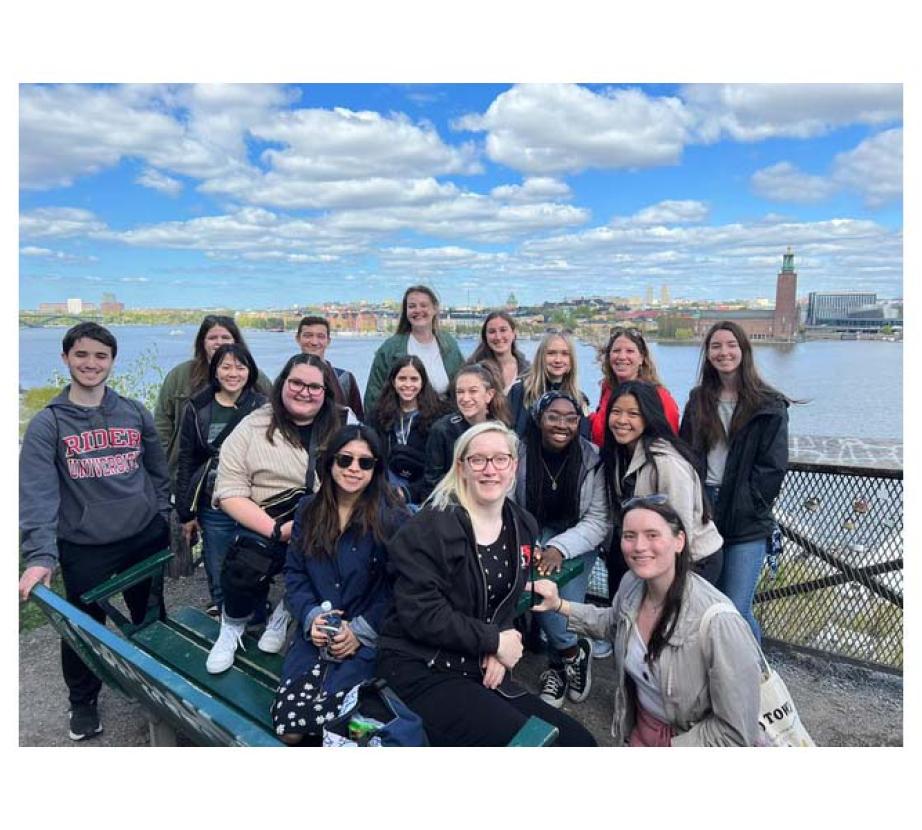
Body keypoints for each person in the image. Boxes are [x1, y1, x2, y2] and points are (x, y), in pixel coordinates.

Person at [376, 421, 597, 746]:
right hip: (420, 666)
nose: (489, 469)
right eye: (478, 460)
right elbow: (421, 613)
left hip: (476, 662)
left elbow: (504, 599)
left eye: (500, 459)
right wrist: (493, 640)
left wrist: (499, 642)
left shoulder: (521, 524)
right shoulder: (431, 526)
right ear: (462, 468)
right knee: (532, 745)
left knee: (579, 743)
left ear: (514, 466)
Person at [19, 323, 171, 741]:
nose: (91, 363)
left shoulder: (135, 412)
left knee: (153, 617)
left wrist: (161, 516)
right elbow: (37, 496)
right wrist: (40, 556)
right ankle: (83, 701)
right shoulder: (48, 425)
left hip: (143, 536)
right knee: (84, 629)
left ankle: (161, 684)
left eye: (100, 356)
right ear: (66, 358)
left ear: (112, 361)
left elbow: (158, 471)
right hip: (87, 546)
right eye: (82, 355)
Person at [530, 498, 761, 746]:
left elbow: (736, 733)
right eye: (629, 536)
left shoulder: (720, 623)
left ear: (679, 541)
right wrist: (558, 605)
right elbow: (613, 624)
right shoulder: (632, 585)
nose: (639, 546)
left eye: (652, 535)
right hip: (641, 728)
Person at [206, 354, 348, 673]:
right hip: (265, 517)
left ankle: (289, 606)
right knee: (244, 566)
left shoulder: (341, 426)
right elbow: (228, 490)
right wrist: (274, 529)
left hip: (322, 518)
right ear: (283, 382)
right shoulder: (253, 426)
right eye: (296, 382)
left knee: (338, 564)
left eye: (315, 386)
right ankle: (232, 624)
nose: (304, 391)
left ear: (326, 391)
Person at [272, 425, 410, 745]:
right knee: (290, 729)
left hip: (364, 640)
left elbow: (400, 588)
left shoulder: (394, 519)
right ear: (330, 463)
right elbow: (294, 573)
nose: (353, 469)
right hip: (316, 636)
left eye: (365, 462)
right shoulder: (308, 510)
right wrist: (309, 617)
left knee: (335, 727)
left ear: (377, 469)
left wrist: (360, 631)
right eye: (345, 460)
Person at [680, 321, 791, 641]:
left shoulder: (769, 404)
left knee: (736, 607)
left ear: (744, 351)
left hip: (746, 517)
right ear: (708, 353)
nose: (724, 352)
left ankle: (757, 678)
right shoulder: (699, 400)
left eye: (731, 345)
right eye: (716, 346)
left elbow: (772, 467)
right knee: (706, 602)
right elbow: (686, 453)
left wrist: (751, 502)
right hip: (704, 507)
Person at [510, 391, 610, 709]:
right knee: (539, 590)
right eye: (553, 416)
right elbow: (509, 505)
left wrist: (558, 548)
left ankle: (560, 663)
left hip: (578, 537)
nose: (562, 425)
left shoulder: (592, 458)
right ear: (539, 419)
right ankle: (571, 655)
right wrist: (533, 544)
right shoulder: (519, 453)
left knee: (562, 601)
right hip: (531, 533)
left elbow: (598, 520)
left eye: (571, 418)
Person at [154, 315, 272, 577]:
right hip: (199, 479)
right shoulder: (180, 377)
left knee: (249, 549)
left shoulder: (257, 381)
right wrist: (166, 463)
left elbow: (275, 419)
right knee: (210, 544)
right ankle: (216, 599)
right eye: (213, 337)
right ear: (202, 342)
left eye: (225, 337)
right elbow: (163, 422)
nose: (219, 342)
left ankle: (244, 600)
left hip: (247, 486)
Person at [601, 380, 723, 591]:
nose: (622, 420)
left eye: (633, 414)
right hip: (650, 557)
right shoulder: (618, 456)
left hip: (691, 560)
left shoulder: (666, 463)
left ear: (649, 417)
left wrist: (667, 581)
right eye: (616, 412)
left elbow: (681, 526)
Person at [175, 343, 267, 617]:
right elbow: (187, 459)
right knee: (217, 562)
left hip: (254, 500)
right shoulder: (198, 407)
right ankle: (223, 612)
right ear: (214, 370)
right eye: (225, 366)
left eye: (240, 367)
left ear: (250, 371)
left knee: (255, 562)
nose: (233, 373)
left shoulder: (261, 406)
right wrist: (185, 512)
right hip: (212, 500)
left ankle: (255, 613)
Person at [363, 285, 464, 414]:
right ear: (406, 312)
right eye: (412, 306)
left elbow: (462, 385)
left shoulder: (449, 345)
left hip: (444, 425)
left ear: (435, 309)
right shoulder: (390, 348)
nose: (418, 310)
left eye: (423, 305)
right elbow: (374, 395)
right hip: (400, 426)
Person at [366, 355, 449, 506]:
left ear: (423, 382)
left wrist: (409, 493)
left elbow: (439, 468)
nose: (408, 384)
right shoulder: (377, 416)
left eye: (414, 379)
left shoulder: (438, 417)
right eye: (402, 378)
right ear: (393, 381)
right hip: (383, 494)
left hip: (422, 496)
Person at [421, 362, 512, 500]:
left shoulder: (500, 429)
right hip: (453, 502)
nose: (465, 398)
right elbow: (431, 481)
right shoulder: (442, 430)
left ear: (489, 395)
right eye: (460, 392)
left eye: (473, 391)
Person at [587, 327, 680, 446]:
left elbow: (669, 441)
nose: (622, 356)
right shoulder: (608, 388)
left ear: (641, 358)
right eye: (616, 351)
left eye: (629, 351)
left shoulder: (659, 397)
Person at [506, 330, 589, 436]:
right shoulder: (519, 392)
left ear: (571, 361)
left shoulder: (578, 399)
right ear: (541, 358)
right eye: (551, 353)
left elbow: (584, 441)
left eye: (564, 354)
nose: (558, 360)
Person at [294, 315, 364, 421]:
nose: (314, 342)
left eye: (320, 336)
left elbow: (358, 423)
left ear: (328, 341)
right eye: (308, 335)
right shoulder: (286, 379)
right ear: (298, 339)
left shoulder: (344, 380)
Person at [466, 310, 530, 393]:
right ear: (485, 337)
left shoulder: (528, 372)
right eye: (492, 332)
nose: (498, 337)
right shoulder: (475, 371)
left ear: (514, 333)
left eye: (503, 330)